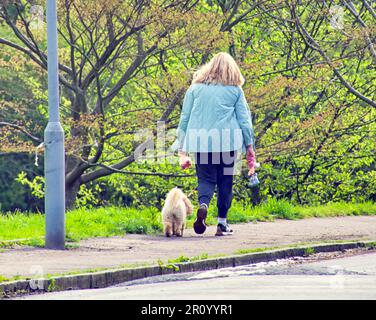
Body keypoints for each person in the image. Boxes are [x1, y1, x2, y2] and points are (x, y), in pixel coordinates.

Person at [176, 52, 256, 236]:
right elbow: (244, 120)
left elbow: (185, 118)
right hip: (228, 145)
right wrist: (249, 146)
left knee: (205, 180)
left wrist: (182, 149)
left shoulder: (195, 89)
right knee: (225, 182)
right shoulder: (235, 90)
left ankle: (203, 205)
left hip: (201, 143)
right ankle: (222, 224)